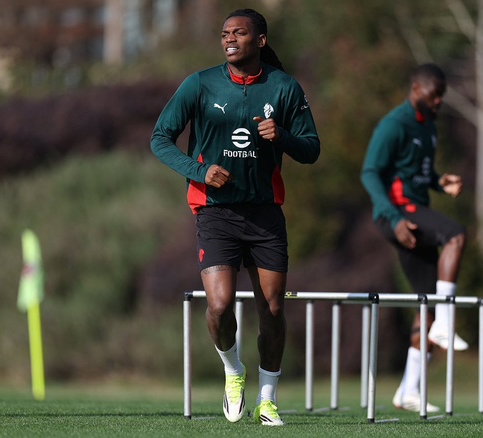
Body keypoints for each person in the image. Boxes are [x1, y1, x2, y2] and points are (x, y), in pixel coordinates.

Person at [151, 8, 319, 426]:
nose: (229, 39)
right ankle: (233, 371)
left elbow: (312, 148)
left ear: (260, 40)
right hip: (216, 212)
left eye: (239, 33)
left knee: (273, 310)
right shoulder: (199, 83)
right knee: (220, 304)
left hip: (265, 215)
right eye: (225, 33)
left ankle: (267, 400)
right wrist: (199, 170)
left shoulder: (284, 87)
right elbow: (160, 138)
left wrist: (282, 136)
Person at [360, 63, 467, 412]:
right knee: (455, 235)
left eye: (442, 96)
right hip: (397, 214)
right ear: (417, 89)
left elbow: (417, 172)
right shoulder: (393, 124)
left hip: (414, 212)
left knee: (427, 303)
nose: (439, 102)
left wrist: (439, 182)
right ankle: (446, 321)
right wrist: (394, 220)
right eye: (435, 95)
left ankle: (408, 389)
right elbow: (370, 173)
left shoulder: (429, 126)